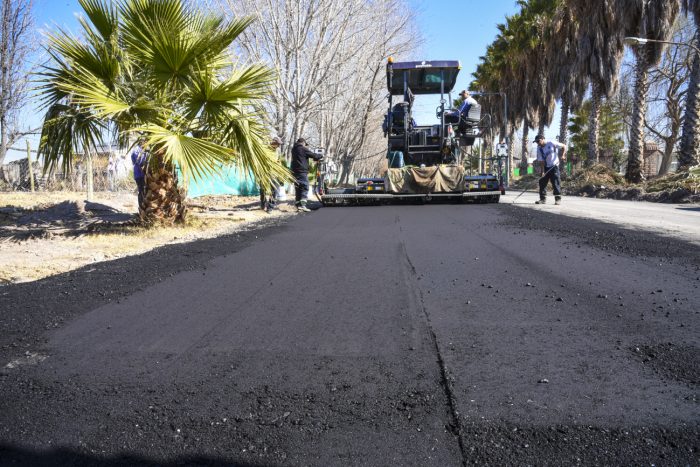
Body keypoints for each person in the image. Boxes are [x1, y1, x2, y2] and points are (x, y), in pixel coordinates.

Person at [291, 137, 323, 212]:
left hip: (294, 172)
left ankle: (298, 205)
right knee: (305, 187)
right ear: (303, 143)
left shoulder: (293, 149)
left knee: (298, 188)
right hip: (302, 171)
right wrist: (320, 156)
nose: (306, 146)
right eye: (305, 145)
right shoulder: (303, 149)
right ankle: (302, 205)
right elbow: (313, 155)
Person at [533, 134, 567, 205]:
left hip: (554, 166)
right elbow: (541, 161)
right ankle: (543, 199)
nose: (537, 143)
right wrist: (542, 172)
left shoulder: (551, 143)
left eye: (538, 141)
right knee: (542, 182)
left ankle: (558, 199)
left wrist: (563, 155)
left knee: (555, 182)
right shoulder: (539, 148)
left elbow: (564, 146)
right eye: (536, 142)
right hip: (546, 167)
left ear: (543, 139)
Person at [260, 136, 283, 213]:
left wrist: (280, 173)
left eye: (279, 144)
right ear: (273, 142)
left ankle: (270, 207)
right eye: (277, 144)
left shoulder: (278, 150)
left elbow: (279, 161)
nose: (279, 145)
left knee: (275, 191)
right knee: (263, 189)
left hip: (274, 173)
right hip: (265, 173)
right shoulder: (265, 149)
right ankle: (263, 203)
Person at [131, 139, 148, 206]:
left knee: (144, 190)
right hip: (139, 174)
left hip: (143, 174)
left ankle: (144, 206)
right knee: (141, 190)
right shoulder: (136, 150)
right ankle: (141, 207)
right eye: (145, 143)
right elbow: (139, 162)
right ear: (142, 143)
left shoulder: (143, 150)